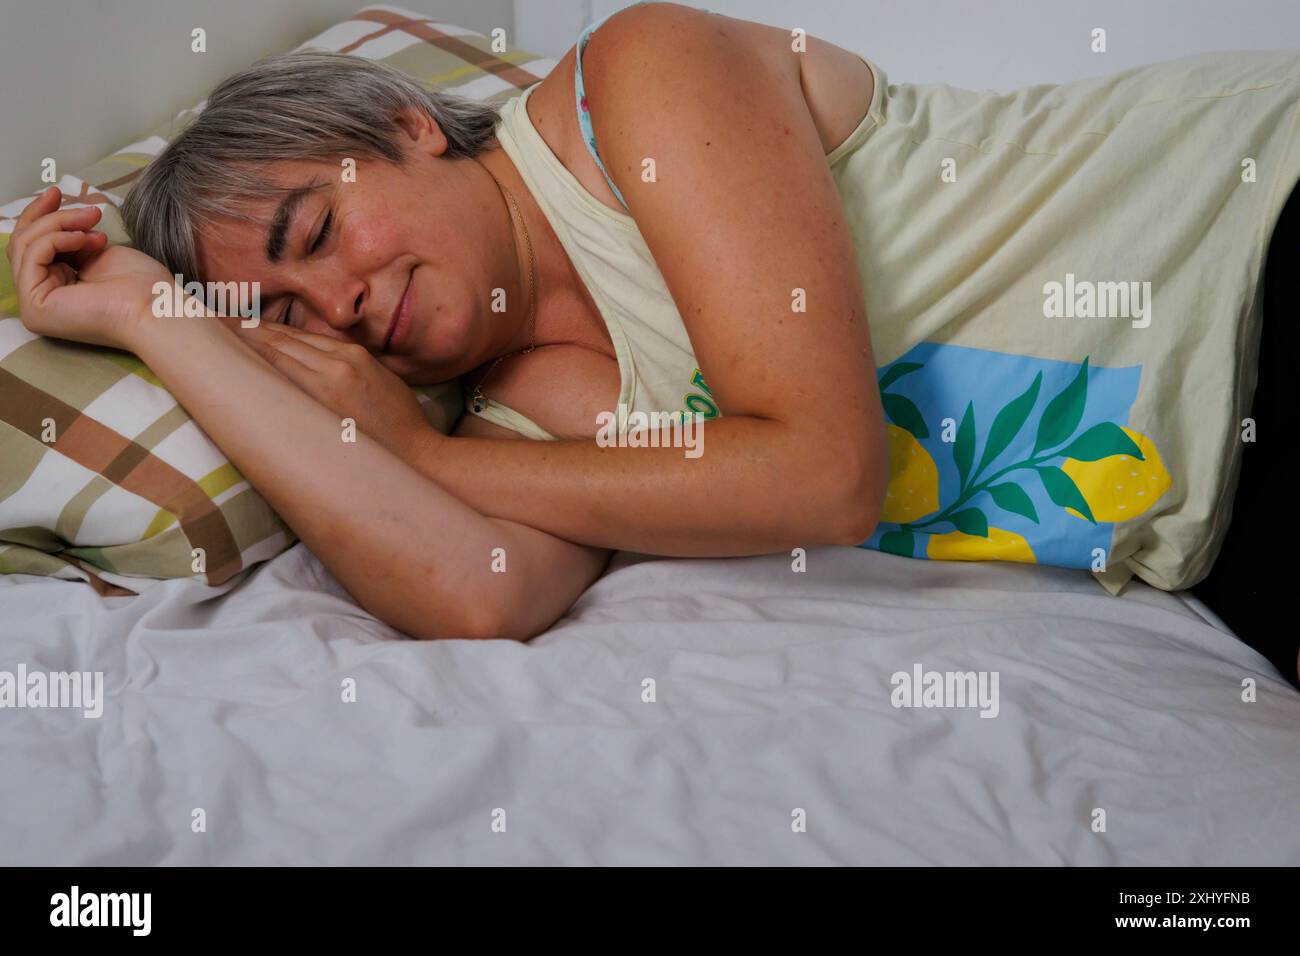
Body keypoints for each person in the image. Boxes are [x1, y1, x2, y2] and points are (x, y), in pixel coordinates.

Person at [6, 3, 1298, 688]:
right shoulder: (514, 408)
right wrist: (147, 315)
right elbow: (483, 590)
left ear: (405, 124)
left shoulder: (631, 82)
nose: (335, 306)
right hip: (1217, 517)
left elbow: (825, 473)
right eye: (283, 321)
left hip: (1253, 236)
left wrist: (412, 449)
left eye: (317, 229)